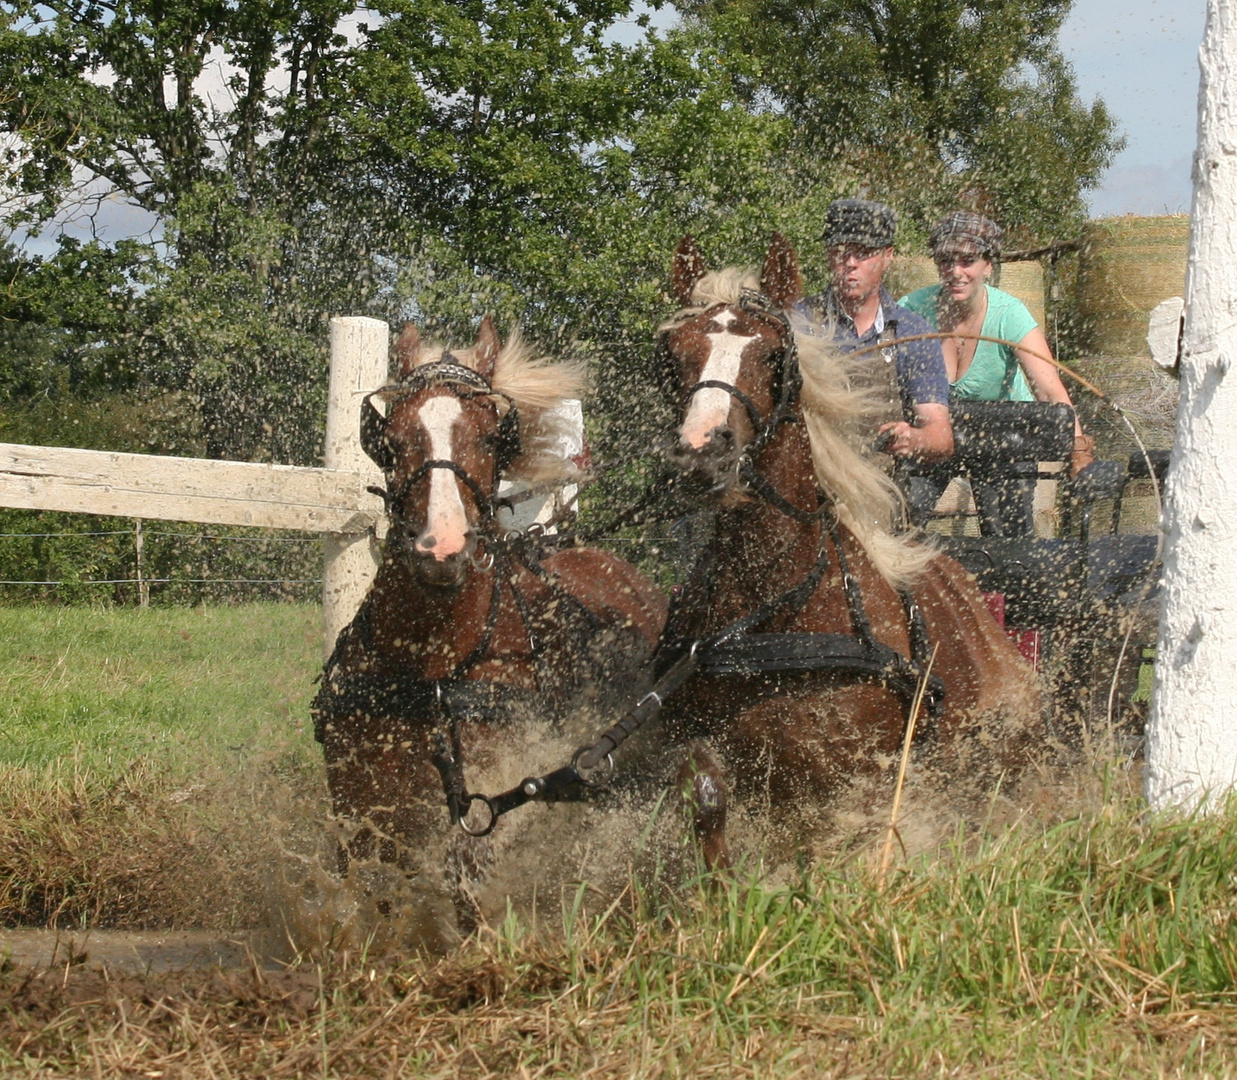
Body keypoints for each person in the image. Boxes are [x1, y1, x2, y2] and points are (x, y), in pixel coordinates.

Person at [898, 211, 1095, 536]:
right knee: (901, 516)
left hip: (1003, 433)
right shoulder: (913, 311)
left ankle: (1007, 583)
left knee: (1007, 534)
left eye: (967, 261)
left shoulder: (1010, 315)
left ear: (988, 265)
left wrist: (1079, 452)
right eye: (946, 261)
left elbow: (1049, 390)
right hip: (936, 428)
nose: (956, 272)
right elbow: (882, 374)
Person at [798, 199, 954, 467]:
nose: (850, 263)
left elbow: (941, 436)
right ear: (827, 254)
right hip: (806, 483)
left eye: (864, 252)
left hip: (880, 488)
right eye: (840, 252)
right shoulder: (798, 323)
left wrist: (914, 439)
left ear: (887, 256)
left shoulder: (913, 334)